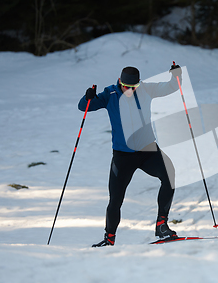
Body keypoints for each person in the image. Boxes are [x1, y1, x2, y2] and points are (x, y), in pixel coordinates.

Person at [78, 65, 182, 247]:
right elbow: (84, 107)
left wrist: (176, 76)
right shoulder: (109, 94)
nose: (130, 90)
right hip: (123, 155)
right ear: (120, 82)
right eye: (126, 86)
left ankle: (161, 225)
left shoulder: (146, 89)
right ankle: (109, 238)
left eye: (133, 87)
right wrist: (88, 97)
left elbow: (171, 87)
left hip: (148, 150)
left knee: (170, 176)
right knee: (116, 198)